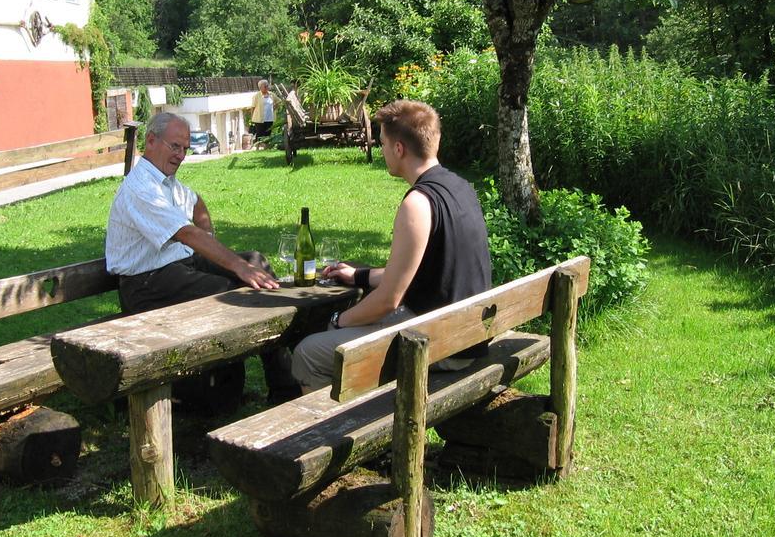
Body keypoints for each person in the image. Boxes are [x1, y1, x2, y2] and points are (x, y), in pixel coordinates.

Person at [291, 100, 491, 392]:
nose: (382, 150)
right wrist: (358, 275)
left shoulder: (418, 203)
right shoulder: (461, 187)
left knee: (309, 352)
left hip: (441, 344)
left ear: (399, 149)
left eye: (382, 143)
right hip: (467, 332)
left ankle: (339, 432)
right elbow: (419, 271)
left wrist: (337, 320)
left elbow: (388, 301)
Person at [106, 112, 299, 402]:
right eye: (175, 147)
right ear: (150, 141)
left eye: (185, 148)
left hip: (176, 267)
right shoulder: (140, 188)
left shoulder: (167, 182)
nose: (181, 155)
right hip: (146, 284)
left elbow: (196, 204)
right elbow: (186, 233)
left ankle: (283, 384)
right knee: (231, 293)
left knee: (256, 260)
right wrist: (235, 265)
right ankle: (223, 391)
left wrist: (213, 240)